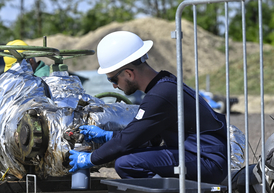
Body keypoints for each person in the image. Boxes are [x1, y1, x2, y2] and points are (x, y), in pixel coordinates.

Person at [68, 31, 228, 184]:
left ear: (129, 74)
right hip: (202, 155)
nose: (115, 86)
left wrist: (89, 159)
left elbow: (127, 142)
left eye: (113, 80)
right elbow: (149, 137)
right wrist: (109, 136)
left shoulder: (160, 95)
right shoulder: (163, 84)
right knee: (129, 157)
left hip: (207, 160)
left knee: (127, 163)